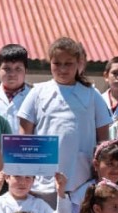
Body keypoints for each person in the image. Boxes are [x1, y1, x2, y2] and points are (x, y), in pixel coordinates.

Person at [18, 37, 112, 204]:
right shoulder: (38, 92)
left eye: (68, 63)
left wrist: (99, 172)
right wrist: (25, 172)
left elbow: (104, 140)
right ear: (50, 63)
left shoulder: (91, 94)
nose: (62, 69)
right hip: (43, 181)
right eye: (57, 63)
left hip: (81, 181)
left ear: (79, 63)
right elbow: (24, 134)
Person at [0, 44, 32, 134]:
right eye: (7, 69)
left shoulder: (34, 97)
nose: (12, 74)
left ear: (26, 70)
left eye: (18, 69)